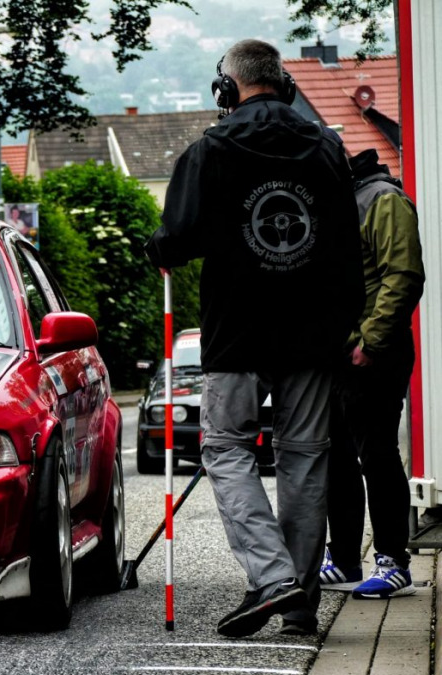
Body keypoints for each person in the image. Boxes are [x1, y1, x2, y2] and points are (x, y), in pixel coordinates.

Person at [145, 39, 365, 638]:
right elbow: (349, 248)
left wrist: (158, 250)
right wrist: (350, 324)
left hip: (236, 333)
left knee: (225, 450)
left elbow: (180, 236)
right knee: (304, 460)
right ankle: (298, 603)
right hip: (313, 336)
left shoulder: (211, 149)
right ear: (285, 84)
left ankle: (272, 579)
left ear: (227, 88)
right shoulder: (325, 149)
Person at [319, 148, 425, 599]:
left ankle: (393, 561)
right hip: (340, 355)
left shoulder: (382, 198)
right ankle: (343, 559)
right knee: (336, 458)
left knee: (376, 455)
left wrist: (369, 342)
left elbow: (402, 274)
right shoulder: (341, 198)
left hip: (375, 354)